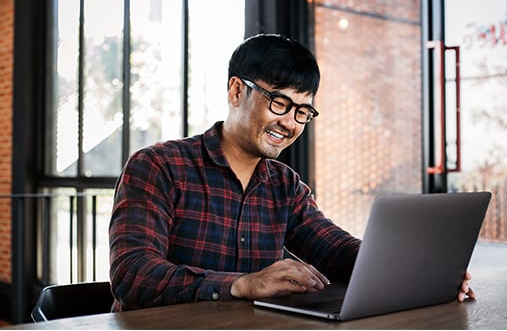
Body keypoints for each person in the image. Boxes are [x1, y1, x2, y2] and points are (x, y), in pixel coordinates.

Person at [109, 33, 475, 311]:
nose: (289, 123)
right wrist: (241, 284)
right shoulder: (158, 166)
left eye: (303, 111)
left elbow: (335, 249)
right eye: (280, 102)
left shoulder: (285, 185)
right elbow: (132, 274)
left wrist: (420, 274)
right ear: (237, 91)